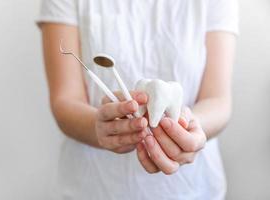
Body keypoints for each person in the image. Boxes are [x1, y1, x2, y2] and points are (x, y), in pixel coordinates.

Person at [37, 0, 238, 199]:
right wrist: (98, 127)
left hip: (193, 189)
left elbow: (218, 100)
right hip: (94, 188)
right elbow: (65, 100)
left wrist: (190, 128)